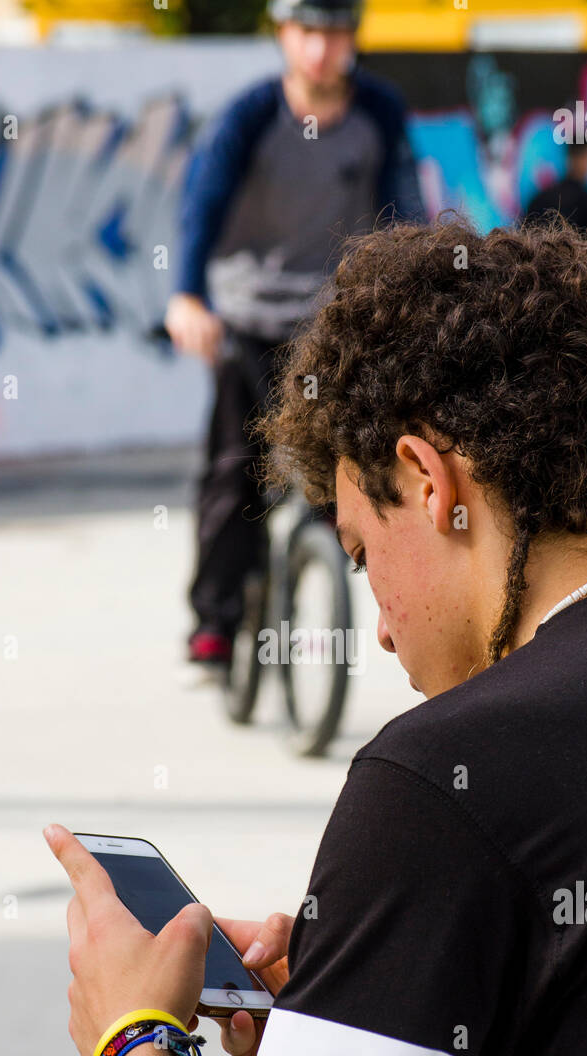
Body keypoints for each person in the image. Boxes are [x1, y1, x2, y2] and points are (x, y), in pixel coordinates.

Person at [47, 217, 587, 1056]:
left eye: (362, 555)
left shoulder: (442, 780)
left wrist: (133, 1042)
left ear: (428, 479)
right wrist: (365, 1054)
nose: (377, 629)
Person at [165, 0, 425, 667]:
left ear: (354, 39)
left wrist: (424, 286)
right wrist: (187, 295)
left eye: (336, 32)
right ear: (284, 35)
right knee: (235, 469)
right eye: (308, 32)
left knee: (346, 476)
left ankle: (334, 587)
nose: (321, 48)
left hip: (333, 325)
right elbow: (202, 206)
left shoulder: (380, 111)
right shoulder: (250, 115)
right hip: (248, 317)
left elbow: (405, 206)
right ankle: (216, 621)